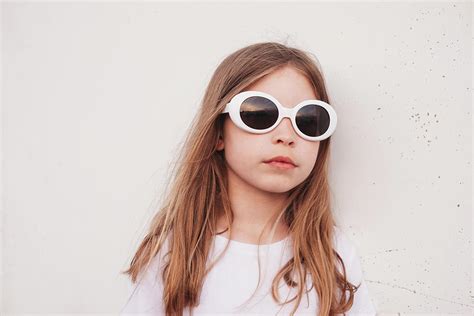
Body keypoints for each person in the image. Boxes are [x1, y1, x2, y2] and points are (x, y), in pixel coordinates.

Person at [119, 41, 377, 315]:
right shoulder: (173, 252)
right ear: (219, 132)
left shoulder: (333, 255)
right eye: (260, 114)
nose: (286, 136)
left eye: (307, 119)